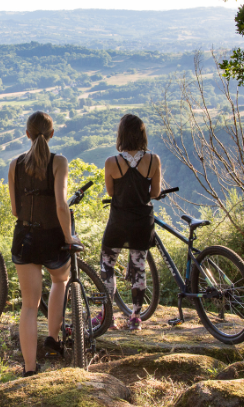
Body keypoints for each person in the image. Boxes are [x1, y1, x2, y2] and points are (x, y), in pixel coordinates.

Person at [8, 111, 80, 377]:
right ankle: (52, 339)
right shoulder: (58, 161)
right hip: (52, 237)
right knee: (60, 281)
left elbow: (16, 210)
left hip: (24, 238)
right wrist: (69, 236)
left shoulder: (14, 165)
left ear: (27, 134)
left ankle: (29, 369)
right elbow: (61, 206)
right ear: (52, 134)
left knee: (29, 305)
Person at [100, 114, 161, 331]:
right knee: (138, 267)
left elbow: (111, 191)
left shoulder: (112, 162)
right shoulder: (153, 160)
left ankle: (107, 315)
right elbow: (155, 192)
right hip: (142, 222)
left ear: (122, 135)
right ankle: (135, 317)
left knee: (108, 265)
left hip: (118, 221)